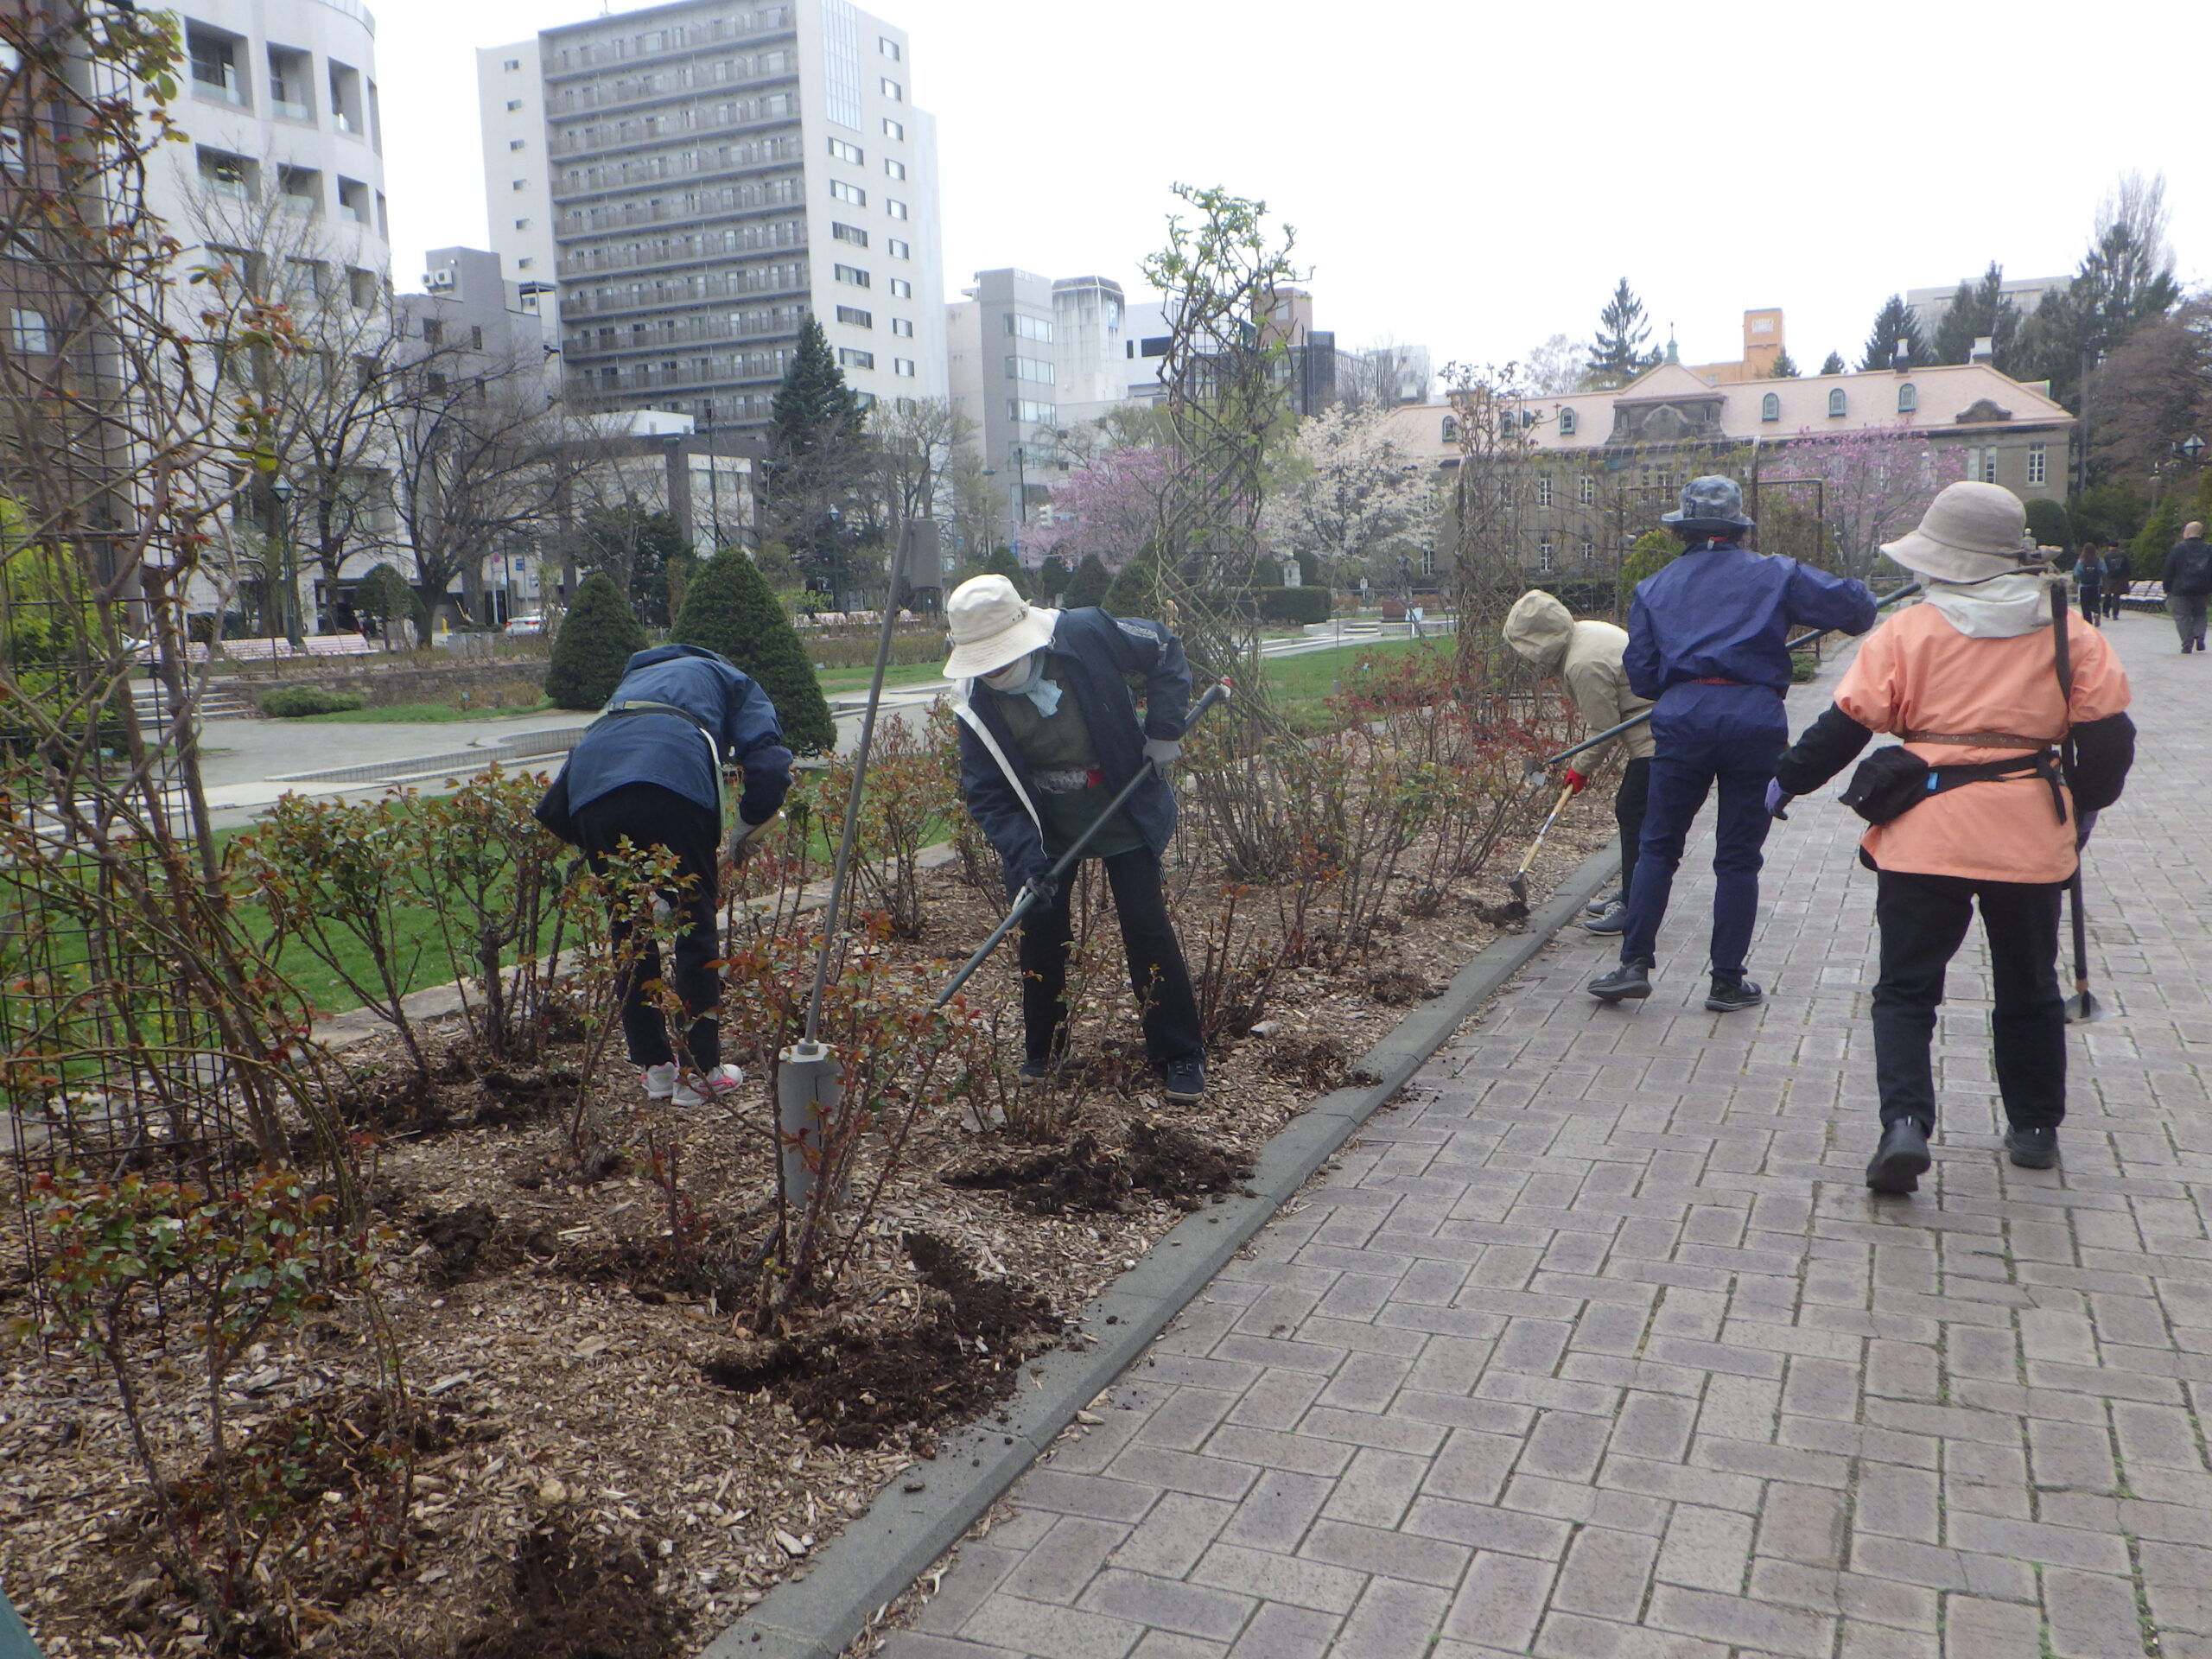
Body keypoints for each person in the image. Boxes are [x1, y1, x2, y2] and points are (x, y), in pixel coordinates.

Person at [1767, 482, 2134, 1192]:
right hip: (2028, 834)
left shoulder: (1908, 631)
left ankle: (1904, 1123)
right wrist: (2078, 806)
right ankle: (2034, 1127)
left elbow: (1844, 726)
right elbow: (2111, 745)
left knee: (1905, 990)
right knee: (2029, 987)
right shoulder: (2070, 633)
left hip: (1923, 833)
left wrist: (1785, 782)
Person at [1587, 476, 1876, 1012]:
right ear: (1738, 527)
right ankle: (1726, 980)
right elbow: (1857, 609)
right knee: (1738, 858)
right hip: (1753, 720)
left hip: (1682, 720)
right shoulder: (1776, 573)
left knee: (1658, 845)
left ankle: (1633, 963)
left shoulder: (1653, 588)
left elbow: (1645, 678)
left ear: (1685, 529)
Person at [944, 575, 1207, 1102]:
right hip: (1045, 823)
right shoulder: (975, 702)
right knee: (1040, 930)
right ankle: (1045, 1050)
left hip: (1119, 801)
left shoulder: (1085, 632)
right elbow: (989, 794)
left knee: (1146, 925)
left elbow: (1164, 648)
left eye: (1001, 656)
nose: (995, 670)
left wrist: (1163, 732)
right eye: (985, 661)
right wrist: (1027, 860)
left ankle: (1180, 1053)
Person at [534, 643, 792, 1104]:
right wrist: (751, 821)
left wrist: (616, 860)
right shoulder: (728, 677)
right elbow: (769, 761)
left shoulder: (632, 684)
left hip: (592, 791)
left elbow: (556, 808)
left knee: (630, 932)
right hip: (674, 781)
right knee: (694, 927)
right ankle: (700, 1074)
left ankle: (656, 1068)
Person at [1502, 589, 1654, 933]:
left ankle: (1634, 905)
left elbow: (1604, 728)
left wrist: (1580, 769)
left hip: (1657, 736)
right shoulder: (1585, 633)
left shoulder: (1583, 662)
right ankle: (1633, 892)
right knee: (1635, 812)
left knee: (1633, 810)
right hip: (1652, 726)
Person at [2164, 520, 2212, 653]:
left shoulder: (2178, 548)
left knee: (2182, 616)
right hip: (2203, 588)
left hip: (2180, 589)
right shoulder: (2209, 548)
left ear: (2188, 532)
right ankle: (2199, 635)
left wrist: (2167, 587)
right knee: (2200, 613)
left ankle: (2187, 643)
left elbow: (2169, 570)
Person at [2072, 537, 2104, 626]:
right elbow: (2104, 571)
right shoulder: (2098, 561)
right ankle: (2097, 613)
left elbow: (2077, 573)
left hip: (2084, 585)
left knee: (2085, 605)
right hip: (2096, 584)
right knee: (2095, 602)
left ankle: (2088, 622)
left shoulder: (2081, 561)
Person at [2101, 541, 2130, 620]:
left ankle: (2105, 611)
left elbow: (2103, 568)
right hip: (2120, 578)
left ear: (2109, 547)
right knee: (2117, 596)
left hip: (2109, 578)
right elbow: (2127, 566)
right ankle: (2115, 614)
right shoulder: (2123, 555)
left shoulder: (2106, 555)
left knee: (2108, 594)